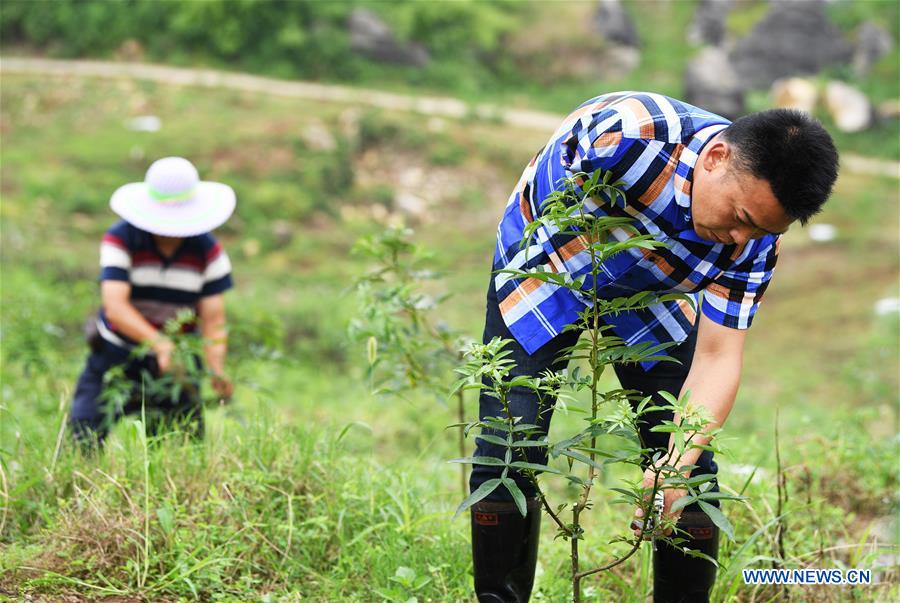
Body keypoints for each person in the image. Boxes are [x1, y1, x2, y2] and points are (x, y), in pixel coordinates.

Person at [469, 92, 838, 602]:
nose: (737, 236)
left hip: (657, 289)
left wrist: (677, 461)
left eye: (757, 229)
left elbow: (718, 355)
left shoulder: (754, 241)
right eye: (739, 215)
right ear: (715, 158)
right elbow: (556, 183)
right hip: (553, 258)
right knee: (510, 443)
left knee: (690, 467)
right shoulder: (626, 137)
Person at [69, 157, 236, 447]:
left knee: (179, 447)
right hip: (116, 353)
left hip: (177, 364)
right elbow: (115, 307)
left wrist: (215, 369)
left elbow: (213, 319)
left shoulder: (208, 250)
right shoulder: (122, 238)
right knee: (84, 435)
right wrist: (159, 342)